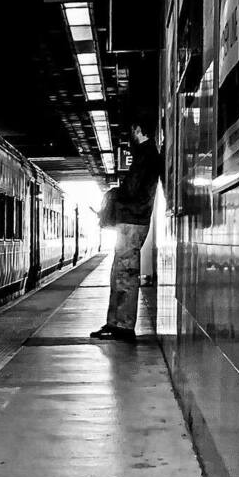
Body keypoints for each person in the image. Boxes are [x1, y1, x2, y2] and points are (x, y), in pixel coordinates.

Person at [91, 119, 162, 341]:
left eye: (132, 129)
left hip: (133, 220)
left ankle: (123, 325)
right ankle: (115, 322)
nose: (130, 133)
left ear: (138, 128)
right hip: (133, 219)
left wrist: (113, 195)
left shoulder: (146, 155)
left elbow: (132, 190)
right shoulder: (146, 154)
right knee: (120, 273)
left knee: (125, 274)